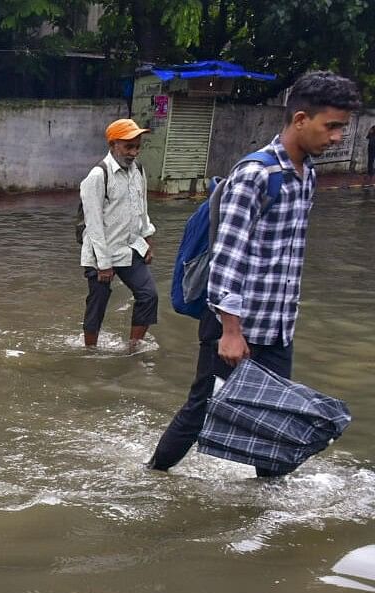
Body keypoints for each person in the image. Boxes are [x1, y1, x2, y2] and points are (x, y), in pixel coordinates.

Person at [148, 71, 362, 476]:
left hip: (277, 326)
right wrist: (231, 329)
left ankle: (264, 515)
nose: (337, 137)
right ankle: (152, 478)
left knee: (276, 421)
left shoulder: (306, 176)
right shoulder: (256, 175)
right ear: (301, 119)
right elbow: (229, 256)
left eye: (341, 128)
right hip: (235, 325)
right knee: (201, 409)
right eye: (331, 126)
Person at [79, 118, 158, 350]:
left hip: (130, 247)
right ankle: (89, 351)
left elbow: (142, 208)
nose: (134, 152)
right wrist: (104, 264)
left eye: (137, 146)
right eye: (128, 146)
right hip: (101, 251)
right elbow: (92, 224)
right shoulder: (97, 176)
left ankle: (133, 348)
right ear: (113, 145)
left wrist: (147, 239)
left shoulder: (138, 170)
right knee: (98, 303)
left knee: (149, 295)